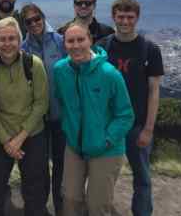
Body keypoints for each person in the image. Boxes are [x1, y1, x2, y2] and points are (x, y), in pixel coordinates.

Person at [53, 23, 134, 216]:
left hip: (106, 148)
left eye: (81, 39)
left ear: (90, 40)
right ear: (64, 44)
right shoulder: (60, 70)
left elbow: (125, 115)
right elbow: (62, 102)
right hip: (74, 146)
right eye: (70, 41)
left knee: (97, 205)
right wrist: (69, 129)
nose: (76, 45)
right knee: (70, 199)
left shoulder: (109, 74)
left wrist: (106, 139)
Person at [98, 0, 164, 216]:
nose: (125, 21)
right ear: (113, 17)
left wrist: (148, 128)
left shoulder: (150, 49)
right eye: (121, 16)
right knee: (103, 176)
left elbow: (154, 91)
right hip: (109, 124)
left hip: (137, 124)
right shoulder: (102, 47)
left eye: (129, 17)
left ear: (137, 18)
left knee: (142, 177)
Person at [0, 17, 49, 216]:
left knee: (35, 191)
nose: (7, 43)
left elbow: (41, 103)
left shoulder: (33, 64)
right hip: (0, 137)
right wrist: (6, 141)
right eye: (2, 39)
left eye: (12, 38)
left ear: (20, 41)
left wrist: (19, 139)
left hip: (32, 135)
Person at [20, 3, 67, 216]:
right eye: (28, 21)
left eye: (37, 18)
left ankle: (61, 208)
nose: (34, 23)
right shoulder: (23, 48)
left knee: (61, 166)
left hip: (61, 116)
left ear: (43, 17)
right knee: (38, 169)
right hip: (37, 120)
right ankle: (40, 210)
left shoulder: (60, 42)